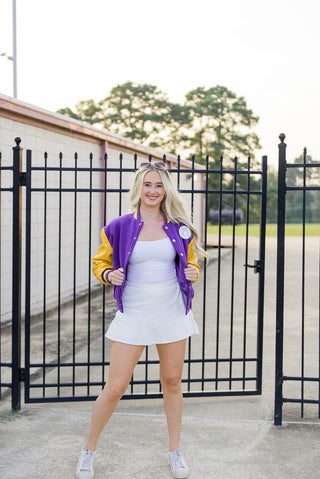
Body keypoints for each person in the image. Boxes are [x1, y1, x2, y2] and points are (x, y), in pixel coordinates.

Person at [76, 161, 208, 479]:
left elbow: (191, 263)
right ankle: (87, 451)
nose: (153, 191)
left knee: (172, 382)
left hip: (172, 309)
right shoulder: (119, 226)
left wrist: (195, 272)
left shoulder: (179, 226)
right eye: (147, 185)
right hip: (134, 310)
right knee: (115, 386)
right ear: (139, 188)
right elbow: (100, 262)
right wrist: (109, 273)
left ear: (166, 190)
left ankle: (175, 451)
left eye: (159, 185)